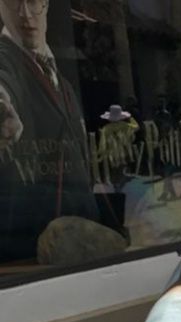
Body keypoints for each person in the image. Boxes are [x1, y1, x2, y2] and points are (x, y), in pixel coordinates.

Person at [0, 0, 98, 262]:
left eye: (32, 2)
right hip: (28, 261)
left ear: (45, 5)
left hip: (80, 252)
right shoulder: (6, 60)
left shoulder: (63, 82)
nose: (25, 14)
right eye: (12, 2)